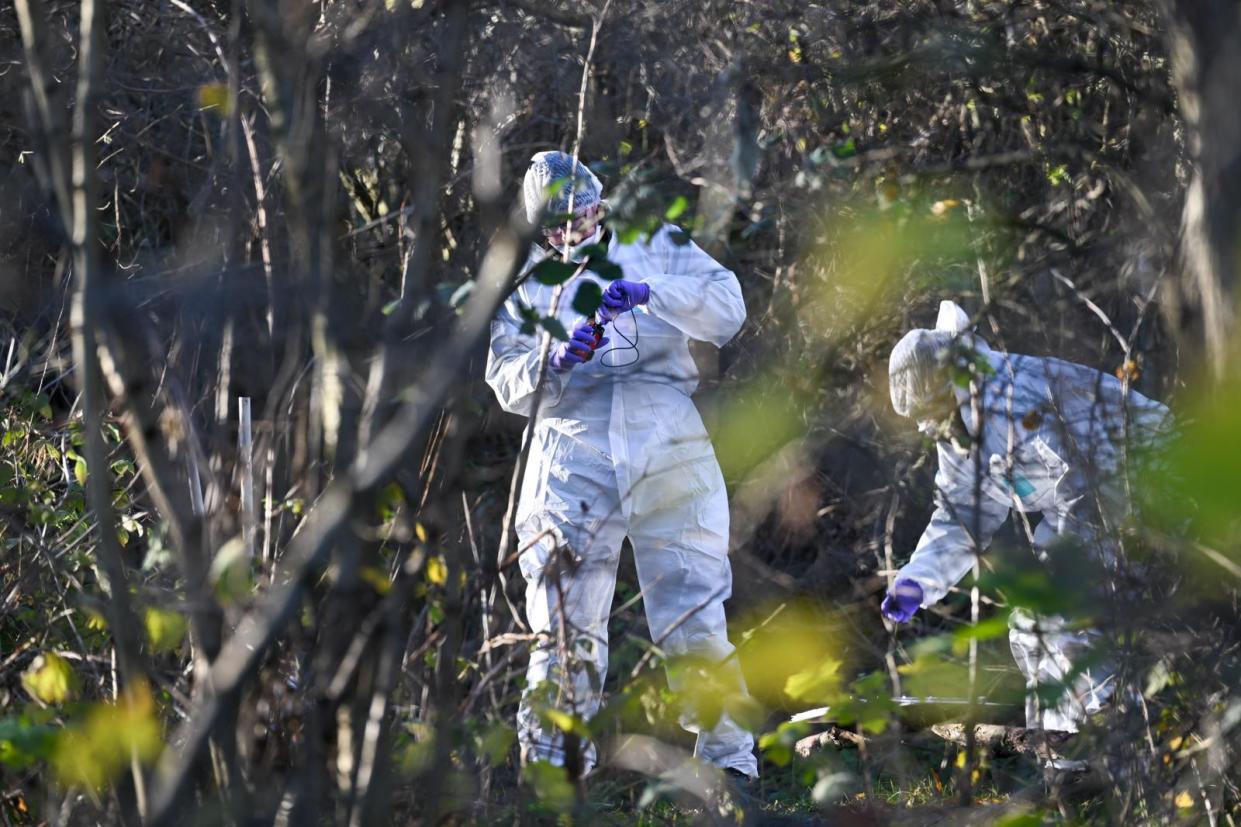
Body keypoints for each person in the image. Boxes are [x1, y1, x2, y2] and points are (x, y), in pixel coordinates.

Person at [486, 151, 758, 779]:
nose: (564, 234)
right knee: (562, 612)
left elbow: (727, 309)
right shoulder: (525, 282)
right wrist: (553, 360)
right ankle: (552, 770)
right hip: (570, 446)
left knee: (691, 601)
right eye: (550, 226)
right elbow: (503, 377)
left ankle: (729, 768)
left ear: (597, 204)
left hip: (665, 435)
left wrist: (653, 294)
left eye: (573, 218)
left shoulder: (654, 243)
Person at [881, 301, 1171, 752]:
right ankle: (1066, 758)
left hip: (1154, 477)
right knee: (1032, 627)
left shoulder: (1017, 396)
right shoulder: (962, 427)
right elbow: (963, 513)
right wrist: (917, 582)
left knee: (1065, 614)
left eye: (934, 409)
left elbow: (1084, 487)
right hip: (1090, 504)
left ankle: (1117, 737)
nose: (933, 424)